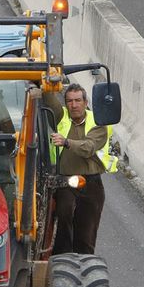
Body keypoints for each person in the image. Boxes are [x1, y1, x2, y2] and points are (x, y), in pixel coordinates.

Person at [43, 82, 117, 256]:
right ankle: (62, 262)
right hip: (66, 182)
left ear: (85, 102)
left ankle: (84, 267)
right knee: (64, 219)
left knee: (86, 235)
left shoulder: (99, 122)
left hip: (91, 184)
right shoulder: (61, 117)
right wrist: (46, 81)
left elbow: (88, 147)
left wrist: (66, 141)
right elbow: (49, 101)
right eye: (69, 101)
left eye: (77, 100)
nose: (73, 105)